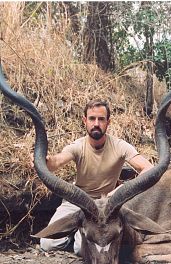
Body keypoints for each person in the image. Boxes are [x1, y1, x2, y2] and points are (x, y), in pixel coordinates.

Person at [32, 99, 153, 254]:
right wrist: (43, 160)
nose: (96, 123)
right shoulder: (78, 146)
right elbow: (55, 162)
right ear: (85, 121)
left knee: (82, 249)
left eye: (101, 119)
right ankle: (78, 232)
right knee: (47, 244)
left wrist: (122, 188)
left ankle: (79, 236)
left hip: (104, 206)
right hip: (77, 201)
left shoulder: (120, 146)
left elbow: (148, 168)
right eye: (92, 118)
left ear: (108, 122)